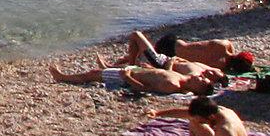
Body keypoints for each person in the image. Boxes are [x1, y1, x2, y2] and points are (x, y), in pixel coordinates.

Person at [49, 60, 219, 96]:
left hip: (127, 78)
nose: (199, 77)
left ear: (197, 89)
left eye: (201, 81)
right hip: (137, 70)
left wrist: (128, 78)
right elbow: (164, 72)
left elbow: (145, 89)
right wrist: (156, 67)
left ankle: (63, 77)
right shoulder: (182, 78)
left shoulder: (172, 86)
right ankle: (107, 66)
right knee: (98, 72)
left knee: (92, 75)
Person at [124, 32, 257, 75]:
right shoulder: (219, 66)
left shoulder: (224, 44)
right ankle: (126, 63)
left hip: (174, 42)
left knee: (144, 52)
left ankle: (125, 61)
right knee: (145, 54)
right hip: (171, 53)